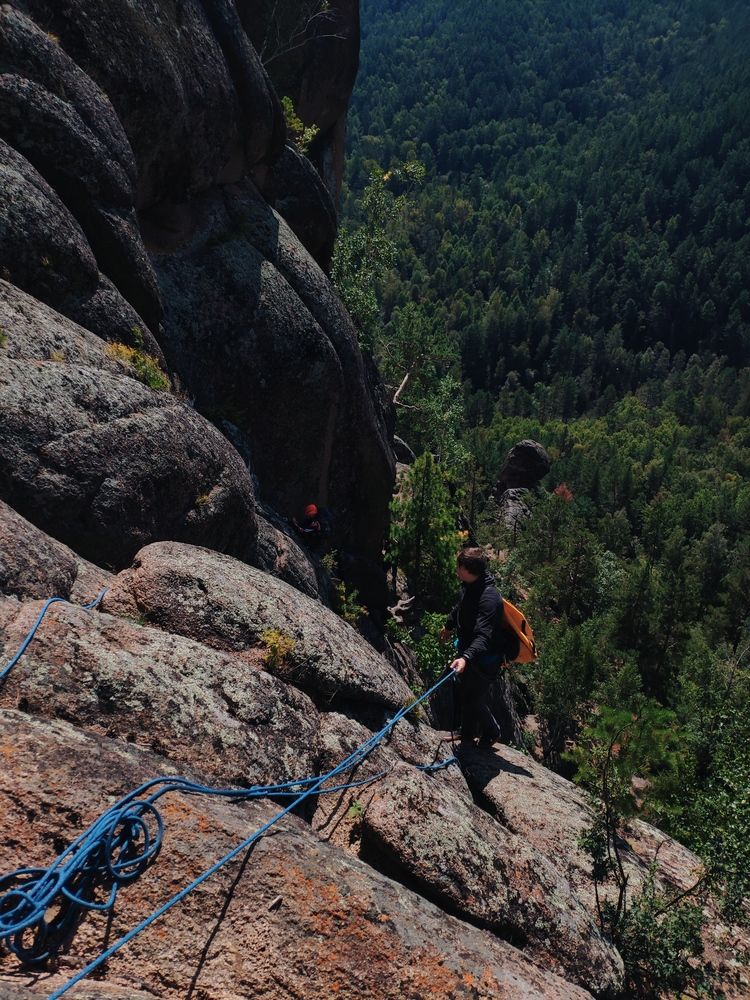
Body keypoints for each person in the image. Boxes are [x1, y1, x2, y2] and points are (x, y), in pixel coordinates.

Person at [440, 547, 519, 747]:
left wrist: (466, 657)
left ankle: (492, 732)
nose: (456, 569)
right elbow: (460, 608)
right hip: (470, 651)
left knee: (473, 697)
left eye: (458, 566)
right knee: (465, 691)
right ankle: (466, 733)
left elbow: (484, 636)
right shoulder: (470, 586)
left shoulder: (489, 598)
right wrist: (449, 626)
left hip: (486, 658)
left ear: (467, 569)